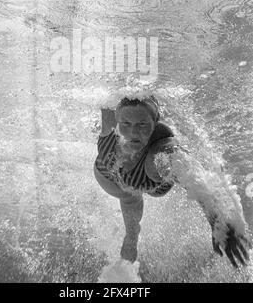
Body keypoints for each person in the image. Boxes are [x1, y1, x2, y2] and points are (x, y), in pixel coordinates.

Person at [94, 94, 252, 267]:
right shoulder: (110, 122)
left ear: (155, 123)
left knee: (150, 175)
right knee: (128, 204)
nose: (133, 132)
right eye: (126, 124)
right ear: (117, 119)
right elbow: (108, 87)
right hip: (112, 179)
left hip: (149, 181)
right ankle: (131, 237)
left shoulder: (161, 151)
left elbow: (194, 178)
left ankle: (131, 236)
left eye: (142, 124)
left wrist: (219, 224)